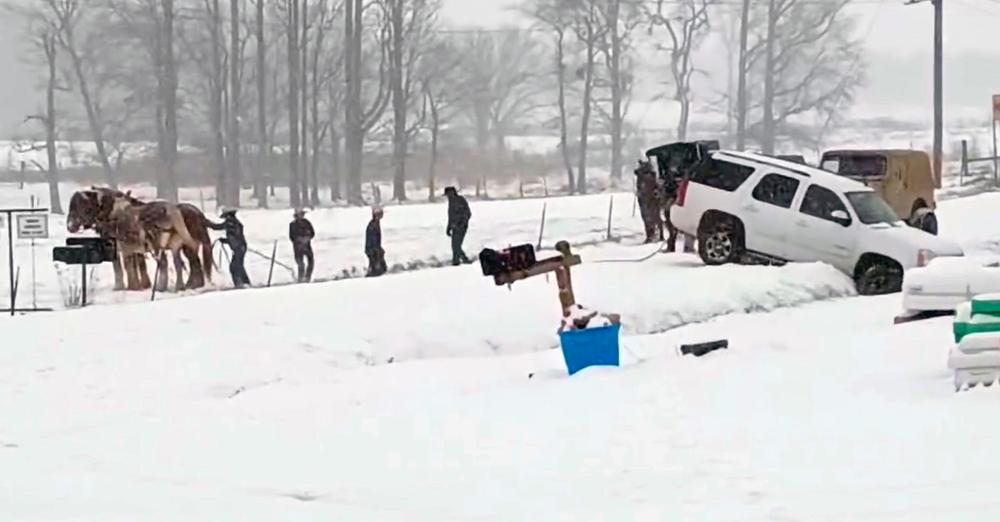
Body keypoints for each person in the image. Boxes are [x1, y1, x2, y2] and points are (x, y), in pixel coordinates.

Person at [208, 207, 251, 288]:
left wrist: (206, 223)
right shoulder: (235, 222)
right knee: (238, 265)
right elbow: (234, 236)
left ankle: (239, 283)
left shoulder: (230, 223)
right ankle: (245, 282)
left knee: (235, 266)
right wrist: (225, 240)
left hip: (238, 247)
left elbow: (217, 227)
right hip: (240, 246)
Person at [634, 160, 664, 244]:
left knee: (653, 217)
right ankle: (651, 235)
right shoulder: (642, 176)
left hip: (651, 199)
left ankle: (655, 234)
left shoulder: (650, 177)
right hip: (645, 199)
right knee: (648, 218)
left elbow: (655, 188)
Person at [444, 186, 472, 265]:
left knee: (456, 245)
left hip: (461, 227)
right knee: (455, 245)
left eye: (448, 194)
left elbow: (468, 213)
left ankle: (460, 260)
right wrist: (448, 227)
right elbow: (451, 216)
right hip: (454, 227)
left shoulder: (460, 200)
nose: (448, 197)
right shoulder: (451, 202)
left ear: (452, 193)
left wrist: (461, 223)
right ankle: (457, 260)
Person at [289, 209, 315, 283]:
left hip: (307, 246)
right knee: (300, 264)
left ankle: (307, 277)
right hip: (298, 248)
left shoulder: (307, 223)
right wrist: (300, 240)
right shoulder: (292, 225)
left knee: (311, 262)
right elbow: (292, 237)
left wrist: (307, 238)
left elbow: (312, 233)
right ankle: (301, 278)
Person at [365, 207, 387, 277]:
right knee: (377, 269)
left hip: (374, 249)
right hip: (373, 250)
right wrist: (377, 250)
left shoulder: (375, 223)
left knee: (379, 268)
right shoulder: (373, 225)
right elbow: (373, 239)